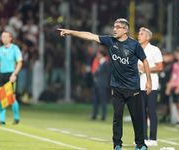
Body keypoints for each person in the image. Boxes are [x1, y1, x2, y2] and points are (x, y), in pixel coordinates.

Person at [57, 18, 152, 150]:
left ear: (125, 30)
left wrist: (149, 81)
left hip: (133, 87)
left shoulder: (134, 45)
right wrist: (70, 32)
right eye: (114, 26)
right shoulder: (110, 41)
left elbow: (145, 61)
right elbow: (89, 35)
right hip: (117, 87)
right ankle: (117, 145)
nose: (114, 29)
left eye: (118, 27)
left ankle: (141, 145)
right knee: (117, 117)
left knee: (137, 118)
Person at [137, 27, 163, 146]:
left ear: (148, 37)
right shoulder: (135, 49)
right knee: (140, 112)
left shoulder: (154, 50)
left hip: (152, 85)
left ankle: (153, 139)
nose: (139, 36)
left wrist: (145, 69)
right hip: (138, 85)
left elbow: (160, 67)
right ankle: (143, 138)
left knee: (151, 111)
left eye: (142, 34)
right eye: (139, 34)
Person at [0, 31, 23, 125]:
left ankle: (16, 117)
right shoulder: (0, 49)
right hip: (1, 74)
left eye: (6, 36)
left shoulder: (15, 49)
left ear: (10, 38)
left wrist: (14, 74)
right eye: (3, 36)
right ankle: (2, 118)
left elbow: (19, 63)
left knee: (12, 98)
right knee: (1, 97)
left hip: (11, 75)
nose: (4, 38)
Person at [91, 49, 110, 120]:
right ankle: (94, 115)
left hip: (102, 84)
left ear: (101, 54)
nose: (97, 55)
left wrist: (95, 74)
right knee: (95, 99)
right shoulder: (100, 63)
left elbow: (98, 72)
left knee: (102, 100)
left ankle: (103, 116)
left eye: (98, 54)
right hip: (97, 83)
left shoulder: (105, 63)